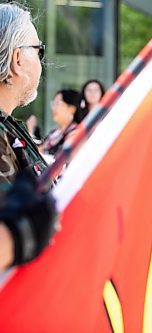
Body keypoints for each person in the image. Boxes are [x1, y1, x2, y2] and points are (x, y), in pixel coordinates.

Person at [0, 3, 58, 271]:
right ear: (17, 60)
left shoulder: (9, 126)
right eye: (38, 50)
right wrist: (16, 238)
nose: (41, 60)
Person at [42, 89, 82, 160]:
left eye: (57, 103)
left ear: (72, 109)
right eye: (53, 103)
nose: (53, 108)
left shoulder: (76, 133)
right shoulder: (53, 133)